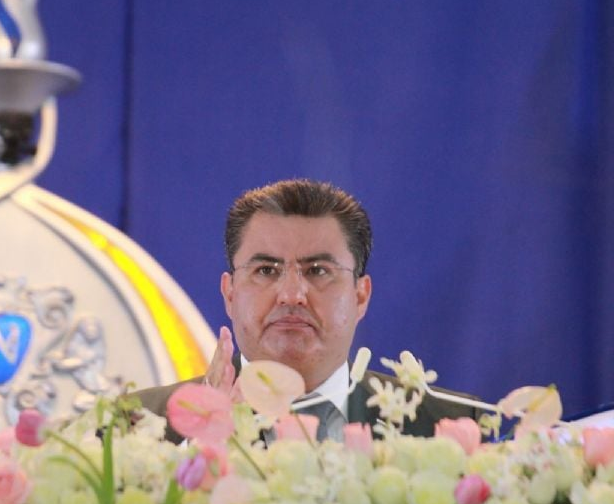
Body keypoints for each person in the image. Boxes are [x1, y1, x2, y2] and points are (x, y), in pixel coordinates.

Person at [136, 179, 479, 443]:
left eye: (317, 270)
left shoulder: (450, 427)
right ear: (230, 294)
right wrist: (198, 451)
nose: (291, 295)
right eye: (266, 270)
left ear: (361, 296)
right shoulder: (140, 426)